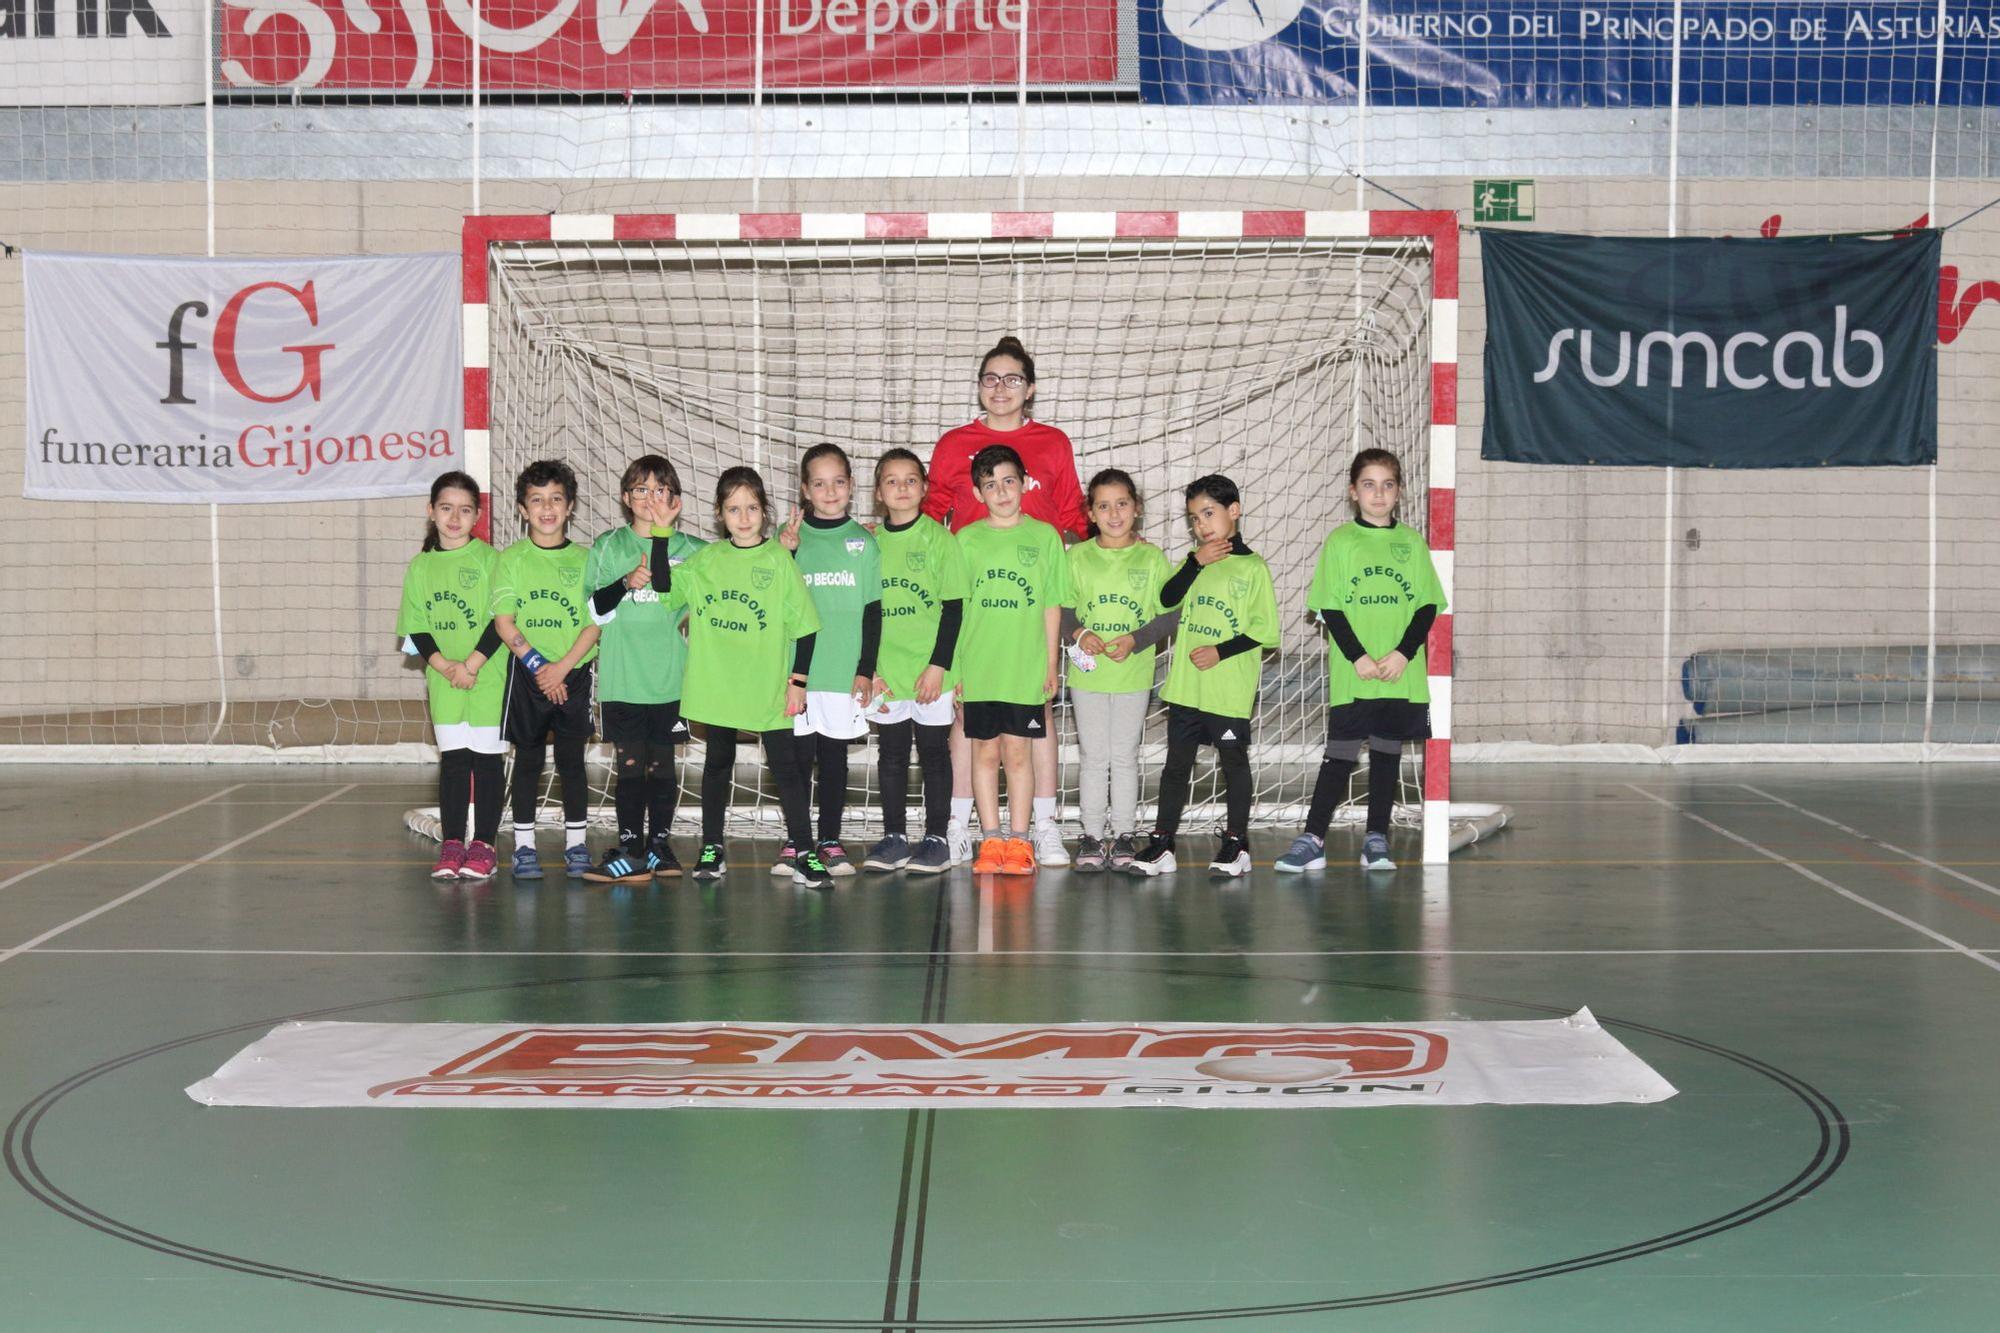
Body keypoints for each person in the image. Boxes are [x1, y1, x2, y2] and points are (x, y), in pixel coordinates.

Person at [925, 336, 1088, 867]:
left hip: (1028, 613)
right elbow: (929, 516)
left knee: (1036, 715)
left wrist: (1114, 557)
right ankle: (961, 826)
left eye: (1012, 378)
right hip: (974, 613)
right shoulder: (954, 444)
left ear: (1030, 388)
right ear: (979, 386)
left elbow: (1072, 516)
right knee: (966, 724)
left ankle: (1040, 827)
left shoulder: (1054, 443)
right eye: (991, 378)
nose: (1001, 388)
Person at [660, 467, 833, 890]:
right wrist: (662, 534)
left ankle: (804, 850)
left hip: (768, 685)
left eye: (752, 507)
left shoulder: (777, 559)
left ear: (764, 512)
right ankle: (712, 846)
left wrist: (798, 681)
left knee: (787, 768)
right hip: (717, 684)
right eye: (734, 508)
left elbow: (807, 626)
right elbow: (666, 589)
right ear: (720, 513)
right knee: (718, 763)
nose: (743, 516)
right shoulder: (707, 561)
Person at [1278, 448, 1446, 873]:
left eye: (1388, 485)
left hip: (1397, 673)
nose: (1379, 493)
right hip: (1356, 674)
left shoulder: (1411, 543)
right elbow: (1329, 608)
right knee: (1340, 756)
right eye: (1369, 484)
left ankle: (1377, 840)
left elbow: (1427, 606)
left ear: (1399, 492)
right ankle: (1313, 838)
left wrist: (1403, 654)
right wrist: (1357, 658)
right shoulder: (1341, 542)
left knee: (1388, 756)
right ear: (1354, 492)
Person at [1126, 474, 1278, 879]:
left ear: (1234, 511)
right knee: (1176, 766)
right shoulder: (1194, 563)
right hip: (1186, 689)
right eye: (1194, 519)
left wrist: (1220, 651)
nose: (1202, 525)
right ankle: (1163, 843)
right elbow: (1165, 599)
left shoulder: (1254, 568)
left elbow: (1265, 632)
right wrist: (1194, 562)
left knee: (1233, 764)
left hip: (1227, 690)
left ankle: (1236, 842)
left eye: (1209, 514)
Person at [580, 454, 705, 884]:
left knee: (663, 769)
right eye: (640, 490)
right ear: (624, 498)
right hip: (622, 679)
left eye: (660, 490)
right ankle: (631, 847)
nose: (650, 498)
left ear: (677, 500)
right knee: (630, 767)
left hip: (671, 679)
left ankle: (659, 847)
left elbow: (737, 563)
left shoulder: (692, 550)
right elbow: (593, 610)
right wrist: (624, 583)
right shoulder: (607, 546)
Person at [955, 444, 1072, 875]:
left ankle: (1020, 840)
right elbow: (959, 608)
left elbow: (1051, 606)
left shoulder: (1044, 538)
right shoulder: (966, 540)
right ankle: (989, 840)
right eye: (990, 485)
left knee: (1019, 757)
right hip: (980, 668)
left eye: (1009, 481)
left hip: (1024, 668)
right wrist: (958, 671)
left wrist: (1049, 666)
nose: (1001, 492)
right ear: (978, 492)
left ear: (1024, 483)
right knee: (984, 755)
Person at [776, 444, 882, 877]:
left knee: (835, 760)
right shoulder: (789, 541)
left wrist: (865, 667)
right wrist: (786, 551)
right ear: (804, 490)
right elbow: (775, 599)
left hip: (842, 673)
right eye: (819, 483)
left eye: (838, 481)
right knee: (797, 760)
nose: (830, 490)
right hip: (799, 675)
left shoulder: (864, 542)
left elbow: (873, 611)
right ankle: (797, 841)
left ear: (852, 486)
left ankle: (831, 838)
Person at [1061, 469, 1174, 873]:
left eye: (1122, 503)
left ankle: (1125, 834)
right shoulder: (1076, 557)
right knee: (1093, 756)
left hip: (1133, 675)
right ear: (1090, 513)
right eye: (1103, 506)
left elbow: (1172, 614)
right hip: (1087, 675)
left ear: (1137, 508)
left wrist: (1137, 640)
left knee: (1124, 756)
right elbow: (1062, 608)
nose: (1114, 513)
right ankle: (1091, 836)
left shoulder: (1151, 558)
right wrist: (1079, 632)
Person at [492, 460, 600, 881]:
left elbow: (596, 623)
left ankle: (576, 845)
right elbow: (505, 622)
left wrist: (563, 668)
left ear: (570, 506)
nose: (547, 508)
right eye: (536, 500)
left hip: (573, 673)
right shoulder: (512, 560)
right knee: (528, 762)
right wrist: (540, 668)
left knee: (572, 762)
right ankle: (523, 848)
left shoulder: (588, 560)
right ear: (522, 509)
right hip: (528, 673)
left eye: (556, 498)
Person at [860, 449, 966, 875]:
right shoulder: (868, 545)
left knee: (934, 753)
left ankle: (937, 838)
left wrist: (939, 666)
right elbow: (862, 611)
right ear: (878, 492)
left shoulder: (940, 541)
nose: (901, 488)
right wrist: (869, 668)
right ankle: (894, 837)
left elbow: (954, 609)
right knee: (891, 755)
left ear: (924, 487)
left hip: (931, 671)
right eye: (891, 480)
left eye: (910, 480)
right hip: (888, 672)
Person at [397, 471, 506, 881]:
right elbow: (417, 625)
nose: (455, 517)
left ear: (477, 515)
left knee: (488, 762)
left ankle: (485, 846)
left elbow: (502, 619)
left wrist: (472, 664)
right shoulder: (420, 566)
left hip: (487, 676)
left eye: (464, 510)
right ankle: (454, 843)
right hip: (444, 680)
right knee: (455, 763)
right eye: (446, 508)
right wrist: (444, 666)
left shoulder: (491, 561)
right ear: (431, 512)